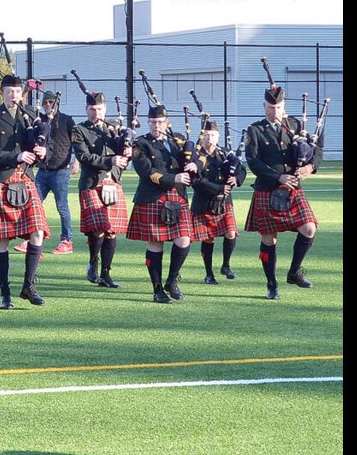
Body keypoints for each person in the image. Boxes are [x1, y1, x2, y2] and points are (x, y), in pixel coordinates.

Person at [0, 74, 50, 310]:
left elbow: (40, 146)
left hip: (25, 178)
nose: (13, 96)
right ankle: (5, 293)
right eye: (9, 91)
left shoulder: (30, 116)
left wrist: (41, 152)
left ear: (22, 94)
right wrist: (15, 156)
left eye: (17, 92)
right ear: (2, 93)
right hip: (2, 179)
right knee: (3, 239)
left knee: (37, 231)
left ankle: (29, 286)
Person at [244, 83, 321, 300]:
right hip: (267, 189)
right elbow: (253, 162)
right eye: (270, 107)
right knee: (269, 240)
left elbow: (317, 149)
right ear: (264, 106)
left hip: (294, 189)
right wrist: (278, 177)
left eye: (278, 108)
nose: (274, 111)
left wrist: (310, 166)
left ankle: (294, 271)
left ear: (283, 106)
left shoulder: (295, 125)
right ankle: (271, 284)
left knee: (309, 228)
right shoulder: (255, 130)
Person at [125, 103, 199, 304]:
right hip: (153, 197)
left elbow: (197, 158)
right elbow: (146, 172)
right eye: (152, 122)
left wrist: (195, 165)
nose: (155, 126)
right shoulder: (139, 144)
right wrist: (172, 179)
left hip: (178, 197)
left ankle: (172, 280)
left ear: (167, 123)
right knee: (156, 243)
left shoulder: (177, 141)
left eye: (159, 122)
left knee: (184, 239)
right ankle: (157, 289)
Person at [70, 88, 131, 288]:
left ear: (105, 109)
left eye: (99, 109)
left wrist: (128, 150)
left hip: (112, 182)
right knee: (98, 229)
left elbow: (124, 152)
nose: (96, 113)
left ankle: (106, 273)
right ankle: (93, 261)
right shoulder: (79, 130)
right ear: (86, 110)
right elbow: (84, 157)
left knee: (111, 230)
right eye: (92, 109)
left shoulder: (114, 127)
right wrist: (111, 159)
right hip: (91, 183)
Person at [14, 90, 79, 255]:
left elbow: (77, 141)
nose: (48, 105)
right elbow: (22, 108)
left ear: (56, 103)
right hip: (42, 171)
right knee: (33, 205)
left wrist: (76, 161)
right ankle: (30, 238)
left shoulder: (67, 120)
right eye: (45, 103)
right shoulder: (40, 121)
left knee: (62, 207)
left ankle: (66, 240)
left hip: (60, 171)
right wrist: (24, 92)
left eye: (51, 102)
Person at [190, 121, 247, 285]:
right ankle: (209, 274)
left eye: (213, 135)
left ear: (218, 137)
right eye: (207, 135)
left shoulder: (224, 153)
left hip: (224, 202)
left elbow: (241, 169)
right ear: (202, 136)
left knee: (230, 233)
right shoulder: (195, 155)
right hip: (204, 201)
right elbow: (196, 181)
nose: (210, 138)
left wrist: (236, 178)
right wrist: (219, 188)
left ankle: (226, 266)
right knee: (208, 239)